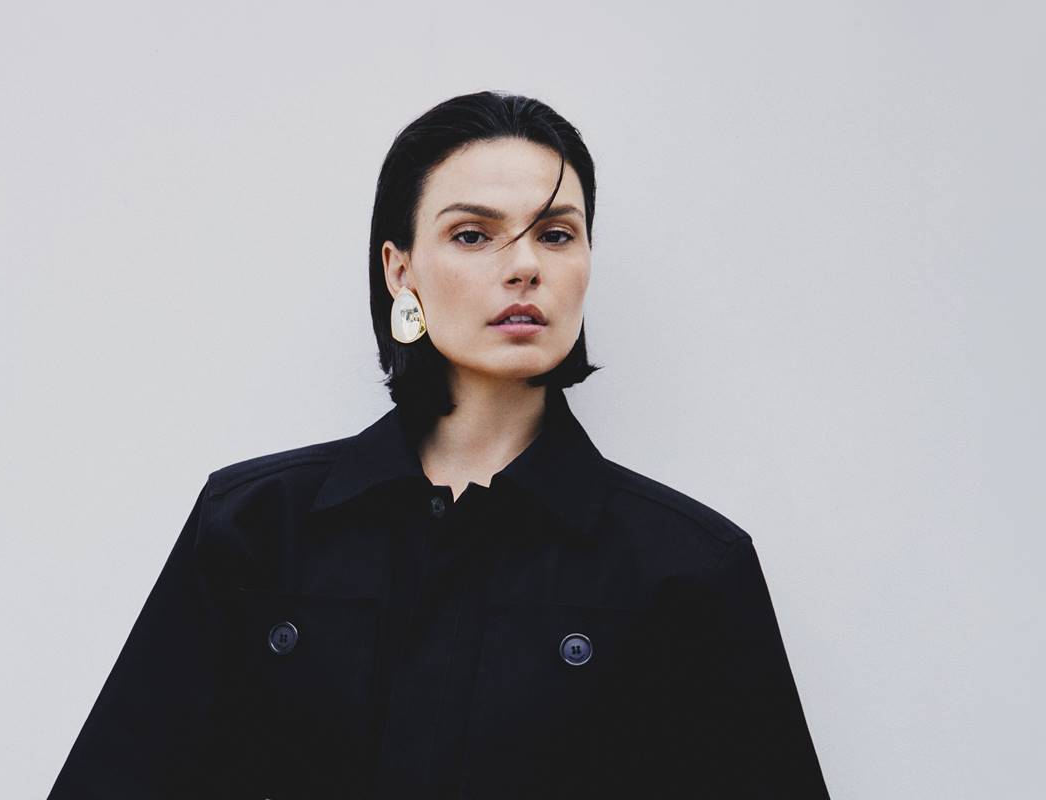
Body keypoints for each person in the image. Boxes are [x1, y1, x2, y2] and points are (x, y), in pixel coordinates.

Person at [47, 90, 831, 799]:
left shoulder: (688, 568)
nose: (524, 266)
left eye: (557, 234)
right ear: (400, 270)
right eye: (473, 234)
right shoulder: (254, 526)